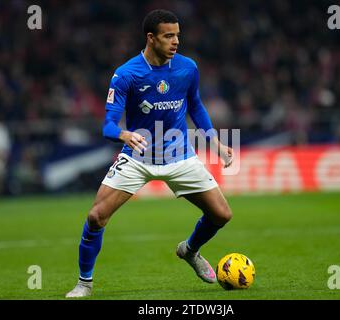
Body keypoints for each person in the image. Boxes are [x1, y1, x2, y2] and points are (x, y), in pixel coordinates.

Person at [66, 9, 234, 298]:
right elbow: (107, 124)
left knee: (221, 214)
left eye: (177, 35)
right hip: (138, 157)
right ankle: (84, 283)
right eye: (169, 36)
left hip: (179, 155)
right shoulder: (126, 74)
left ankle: (190, 250)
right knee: (96, 217)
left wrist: (215, 143)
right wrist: (122, 134)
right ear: (151, 38)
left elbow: (195, 106)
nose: (176, 41)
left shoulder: (187, 68)